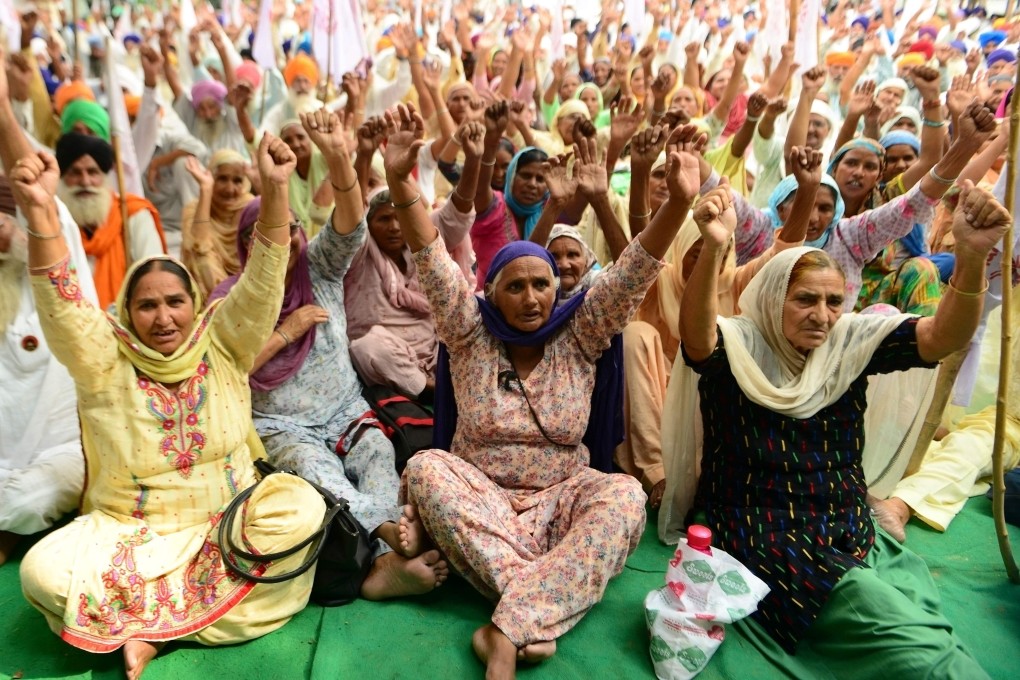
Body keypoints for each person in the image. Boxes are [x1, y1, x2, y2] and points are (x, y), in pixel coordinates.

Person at [390, 100, 706, 678]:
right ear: (491, 293)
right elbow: (431, 255)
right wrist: (397, 179)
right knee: (430, 470)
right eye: (517, 287)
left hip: (562, 498)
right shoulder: (469, 331)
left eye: (543, 283)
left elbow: (636, 266)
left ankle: (504, 629)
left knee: (625, 498)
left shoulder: (580, 332)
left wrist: (680, 202)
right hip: (480, 495)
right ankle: (539, 602)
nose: (533, 298)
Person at [659, 176, 1010, 677]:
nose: (823, 316)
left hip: (848, 524)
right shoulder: (737, 346)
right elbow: (695, 337)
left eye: (834, 301)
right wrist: (716, 247)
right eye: (805, 300)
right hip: (763, 530)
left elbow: (941, 337)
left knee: (914, 612)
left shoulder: (849, 343)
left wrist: (972, 258)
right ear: (772, 297)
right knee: (922, 653)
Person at [15, 132, 328, 680]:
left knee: (302, 511)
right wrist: (41, 212)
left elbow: (262, 281)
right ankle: (192, 618)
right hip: (130, 535)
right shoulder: (103, 359)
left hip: (227, 523)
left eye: (175, 302)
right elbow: (62, 303)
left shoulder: (225, 342)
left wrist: (276, 190)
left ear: (195, 304)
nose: (164, 318)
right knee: (41, 572)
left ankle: (146, 629)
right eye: (147, 305)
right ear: (127, 311)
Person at [211, 109, 450, 601]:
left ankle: (385, 563)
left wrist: (340, 154)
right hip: (282, 426)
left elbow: (349, 224)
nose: (290, 238)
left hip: (344, 409)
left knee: (379, 452)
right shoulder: (229, 300)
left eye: (296, 228)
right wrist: (285, 332)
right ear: (248, 243)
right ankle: (385, 534)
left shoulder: (317, 269)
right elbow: (225, 372)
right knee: (318, 473)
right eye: (274, 231)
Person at [344, 121, 483, 398]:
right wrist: (363, 155)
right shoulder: (359, 252)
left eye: (400, 218)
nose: (396, 227)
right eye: (384, 219)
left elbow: (457, 214)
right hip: (388, 356)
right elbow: (353, 216)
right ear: (370, 225)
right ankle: (431, 392)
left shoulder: (419, 239)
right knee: (366, 347)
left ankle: (447, 382)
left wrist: (474, 160)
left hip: (435, 348)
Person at [55, 132, 167, 309]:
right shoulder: (55, 221)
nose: (85, 181)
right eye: (75, 173)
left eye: (93, 172)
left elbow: (154, 275)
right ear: (61, 178)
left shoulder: (132, 214)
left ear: (105, 176)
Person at [470, 101, 550, 288]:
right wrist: (491, 140)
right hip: (490, 304)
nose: (532, 184)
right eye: (525, 176)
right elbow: (481, 188)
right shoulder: (495, 207)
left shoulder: (548, 210)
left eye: (540, 179)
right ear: (512, 175)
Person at [179, 151, 256, 299]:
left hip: (247, 286)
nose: (229, 189)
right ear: (212, 178)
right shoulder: (194, 208)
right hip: (210, 287)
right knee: (200, 258)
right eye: (222, 179)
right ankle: (220, 303)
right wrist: (206, 190)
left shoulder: (250, 206)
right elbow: (198, 245)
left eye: (237, 181)